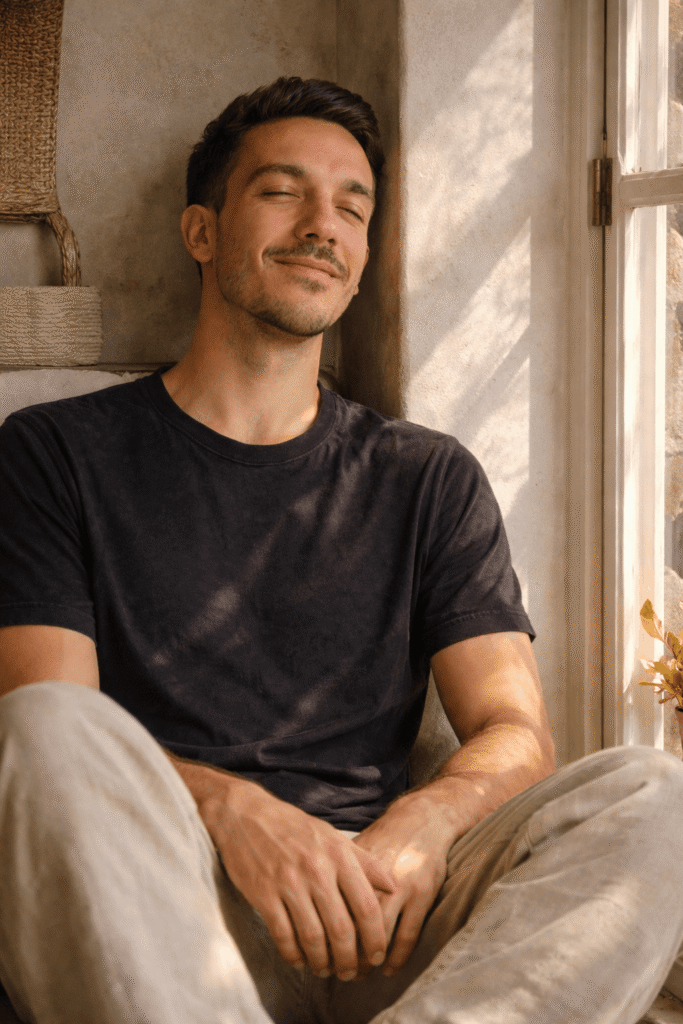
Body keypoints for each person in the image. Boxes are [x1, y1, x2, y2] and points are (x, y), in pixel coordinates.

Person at [0, 76, 681, 1024]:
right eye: (282, 191)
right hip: (165, 911)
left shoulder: (427, 478)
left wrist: (421, 825)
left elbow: (515, 732)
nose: (323, 223)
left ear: (361, 259)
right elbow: (50, 722)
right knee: (41, 727)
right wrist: (238, 816)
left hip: (384, 910)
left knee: (655, 794)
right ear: (201, 232)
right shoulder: (54, 455)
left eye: (351, 207)